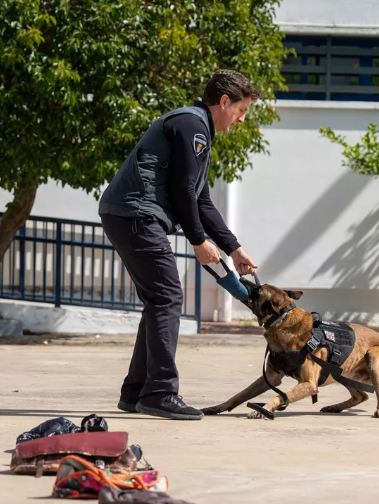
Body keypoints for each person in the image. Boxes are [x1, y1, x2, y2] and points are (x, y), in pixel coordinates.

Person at [98, 69, 259, 420]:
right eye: (242, 110)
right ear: (225, 101)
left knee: (159, 299)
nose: (242, 119)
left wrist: (233, 247)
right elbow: (182, 192)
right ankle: (160, 392)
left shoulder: (196, 128)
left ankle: (137, 391)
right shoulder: (193, 126)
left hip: (129, 214)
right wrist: (198, 240)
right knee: (168, 297)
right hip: (136, 215)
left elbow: (200, 198)